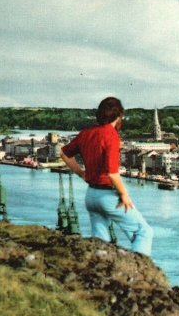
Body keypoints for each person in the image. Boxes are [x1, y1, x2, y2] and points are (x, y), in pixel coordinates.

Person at [60, 97, 153, 256]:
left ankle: (100, 271)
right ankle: (139, 270)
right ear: (118, 117)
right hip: (108, 195)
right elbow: (112, 172)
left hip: (91, 195)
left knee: (100, 242)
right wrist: (124, 194)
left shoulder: (86, 133)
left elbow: (64, 153)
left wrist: (81, 173)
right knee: (143, 232)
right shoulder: (111, 135)